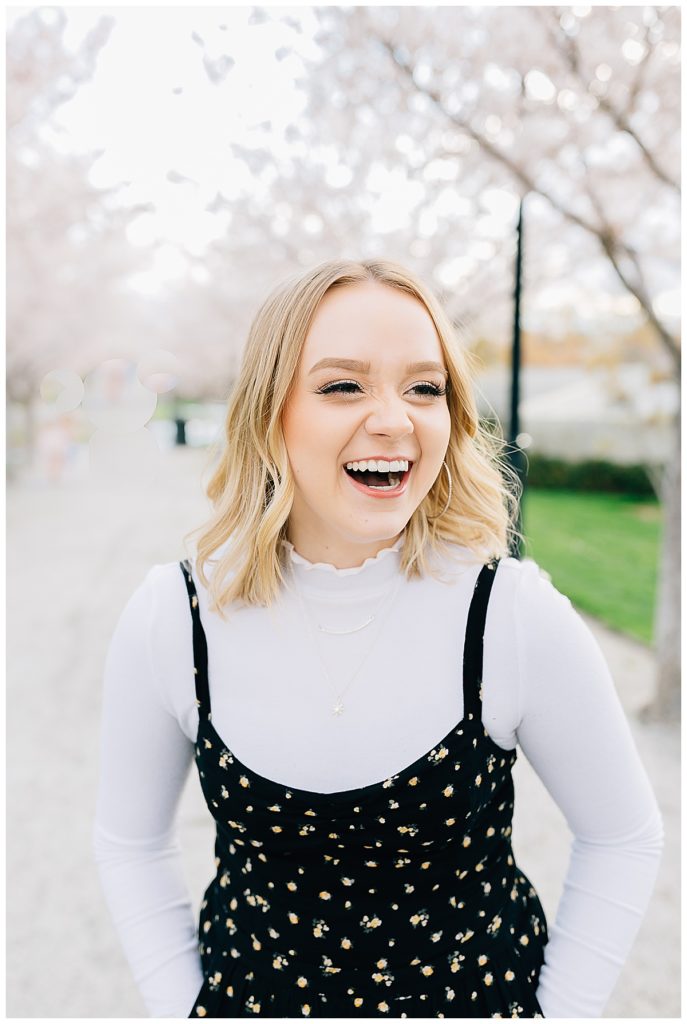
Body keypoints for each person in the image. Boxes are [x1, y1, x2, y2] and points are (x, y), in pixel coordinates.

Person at [93, 258, 663, 1019]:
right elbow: (130, 844)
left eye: (424, 388)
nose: (394, 419)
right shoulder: (175, 615)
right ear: (270, 413)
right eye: (342, 385)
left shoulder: (508, 614)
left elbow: (622, 836)